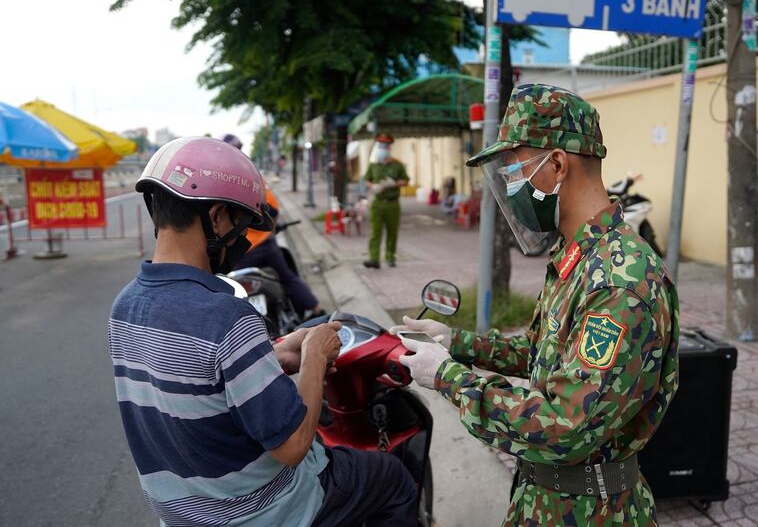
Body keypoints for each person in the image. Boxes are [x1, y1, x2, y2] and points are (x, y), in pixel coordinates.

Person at [392, 84, 680, 526]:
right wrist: (456, 342)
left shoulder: (621, 282)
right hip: (545, 501)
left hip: (591, 512)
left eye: (514, 170)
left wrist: (449, 377)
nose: (509, 186)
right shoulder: (579, 256)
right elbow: (545, 354)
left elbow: (565, 425)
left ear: (558, 165)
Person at [108, 136, 416, 527]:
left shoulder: (124, 306)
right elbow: (292, 447)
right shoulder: (228, 316)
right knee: (392, 478)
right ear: (217, 217)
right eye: (242, 225)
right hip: (261, 510)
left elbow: (198, 385)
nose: (243, 239)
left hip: (181, 512)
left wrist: (278, 357)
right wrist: (316, 357)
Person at [220, 134, 324, 318]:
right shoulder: (252, 176)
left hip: (238, 252)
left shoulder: (217, 180)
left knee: (227, 290)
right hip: (266, 246)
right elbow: (273, 210)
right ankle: (316, 310)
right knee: (288, 277)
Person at [363, 133, 409, 268]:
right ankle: (374, 259)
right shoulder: (373, 165)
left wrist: (394, 184)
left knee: (392, 232)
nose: (383, 148)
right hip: (377, 203)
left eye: (386, 146)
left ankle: (390, 257)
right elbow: (366, 180)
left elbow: (406, 181)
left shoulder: (397, 165)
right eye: (381, 145)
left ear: (389, 148)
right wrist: (373, 186)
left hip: (392, 203)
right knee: (375, 232)